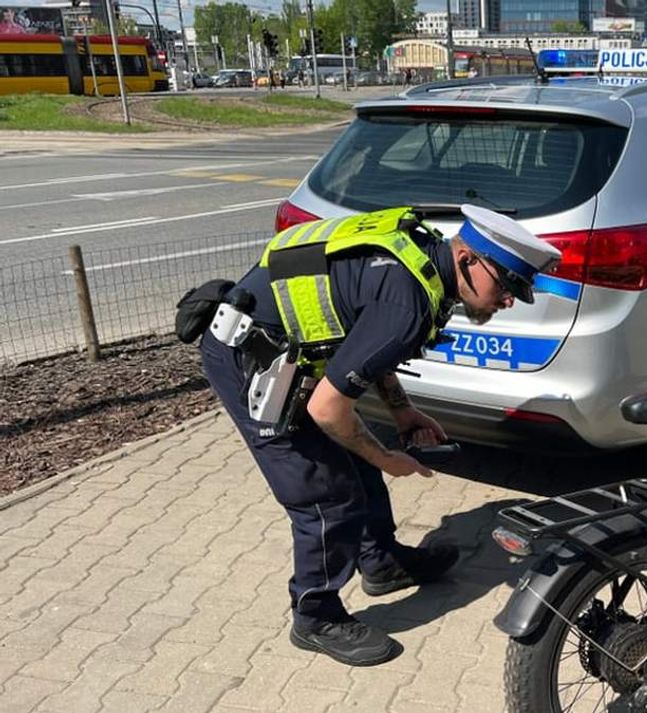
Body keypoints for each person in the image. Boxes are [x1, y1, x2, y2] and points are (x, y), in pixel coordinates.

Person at [195, 205, 560, 667]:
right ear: (467, 258)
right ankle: (316, 617)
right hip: (246, 358)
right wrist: (388, 457)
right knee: (325, 495)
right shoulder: (408, 299)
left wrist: (402, 411)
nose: (510, 299)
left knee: (354, 455)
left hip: (289, 354)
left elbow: (373, 345)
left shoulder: (425, 267)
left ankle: (381, 562)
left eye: (518, 292)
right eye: (507, 285)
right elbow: (327, 408)